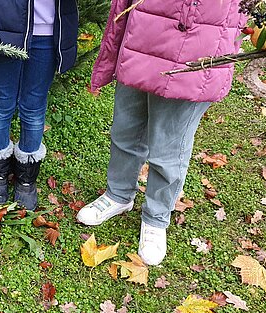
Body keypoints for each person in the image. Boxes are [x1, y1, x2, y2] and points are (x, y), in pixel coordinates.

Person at [77, 0, 246, 265]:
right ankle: (118, 195)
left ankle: (156, 218)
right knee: (125, 132)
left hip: (196, 50)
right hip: (141, 39)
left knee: (169, 149)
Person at [0, 0, 79, 210]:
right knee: (1, 102)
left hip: (48, 31)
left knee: (34, 106)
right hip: (4, 26)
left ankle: (26, 176)